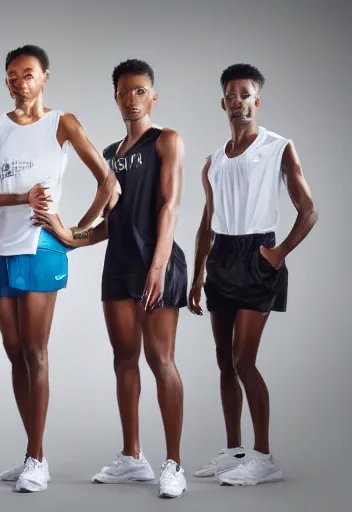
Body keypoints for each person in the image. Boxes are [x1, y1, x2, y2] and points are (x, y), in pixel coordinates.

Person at [33, 59, 188, 498]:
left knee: (161, 361)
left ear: (152, 96)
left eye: (140, 91)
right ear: (115, 97)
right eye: (124, 92)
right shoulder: (109, 155)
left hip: (155, 263)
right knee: (124, 360)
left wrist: (157, 267)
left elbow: (170, 206)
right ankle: (132, 457)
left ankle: (173, 464)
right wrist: (66, 235)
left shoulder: (166, 141)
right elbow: (104, 225)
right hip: (117, 266)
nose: (131, 99)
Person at [0, 45, 114, 493]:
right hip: (2, 247)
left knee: (35, 351)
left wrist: (76, 231)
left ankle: (37, 457)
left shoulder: (61, 122)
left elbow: (109, 181)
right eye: (11, 75)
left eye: (27, 74)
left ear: (44, 78)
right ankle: (32, 449)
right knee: (14, 352)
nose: (18, 82)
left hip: (41, 246)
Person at [187, 63, 317, 486]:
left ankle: (264, 457)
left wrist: (277, 254)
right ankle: (234, 450)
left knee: (245, 360)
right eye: (232, 95)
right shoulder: (213, 163)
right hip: (222, 256)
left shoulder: (279, 147)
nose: (238, 102)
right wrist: (197, 274)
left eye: (246, 94)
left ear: (256, 101)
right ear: (222, 102)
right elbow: (207, 222)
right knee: (225, 362)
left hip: (257, 255)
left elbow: (308, 210)